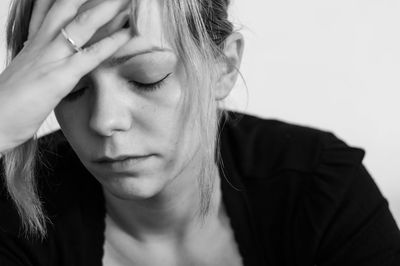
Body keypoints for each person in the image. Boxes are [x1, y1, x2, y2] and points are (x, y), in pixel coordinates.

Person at [0, 0, 399, 265]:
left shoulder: (318, 186)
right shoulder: (11, 209)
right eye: (71, 89)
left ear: (224, 67)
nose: (105, 121)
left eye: (147, 78)